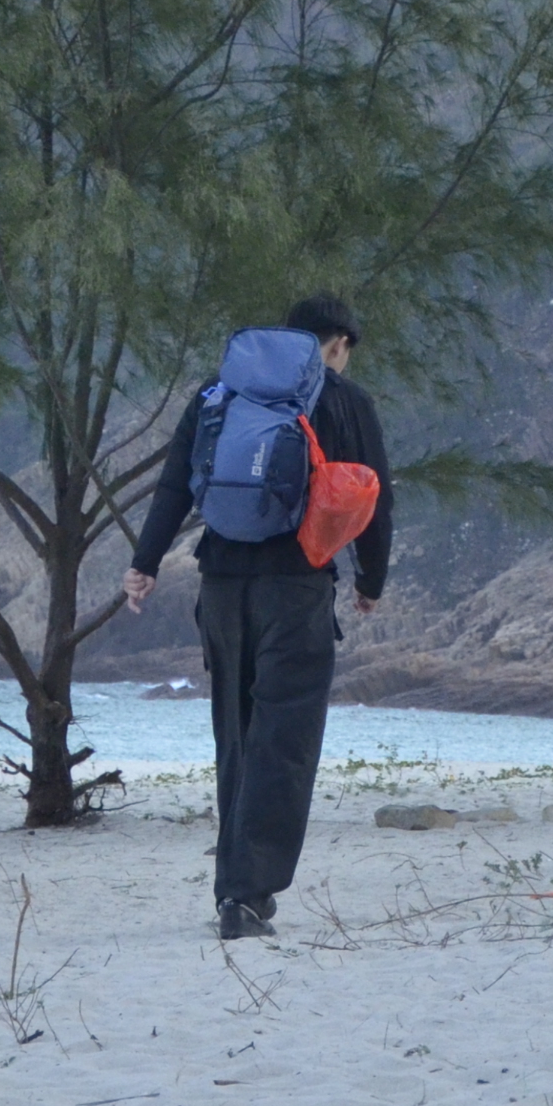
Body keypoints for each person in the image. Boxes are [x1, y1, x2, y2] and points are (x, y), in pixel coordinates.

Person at [123, 295, 394, 941]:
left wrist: (145, 561)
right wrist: (370, 581)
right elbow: (375, 499)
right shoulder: (345, 402)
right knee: (285, 743)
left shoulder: (220, 393)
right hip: (294, 591)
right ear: (337, 345)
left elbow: (174, 485)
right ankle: (247, 896)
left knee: (237, 737)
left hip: (220, 587)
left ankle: (235, 888)